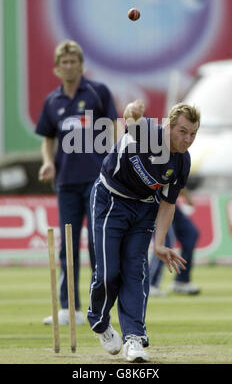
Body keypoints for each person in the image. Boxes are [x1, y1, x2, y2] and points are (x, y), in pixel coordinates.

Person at [87, 99, 200, 362]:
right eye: (182, 131)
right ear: (169, 126)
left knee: (135, 272)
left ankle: (134, 339)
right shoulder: (148, 131)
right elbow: (130, 118)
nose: (187, 139)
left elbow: (169, 204)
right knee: (107, 272)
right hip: (110, 199)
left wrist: (159, 244)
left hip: (144, 210)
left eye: (193, 134)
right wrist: (132, 110)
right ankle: (100, 321)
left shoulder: (182, 162)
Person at [35, 39, 118, 325]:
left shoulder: (98, 92)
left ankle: (99, 308)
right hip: (66, 183)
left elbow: (113, 129)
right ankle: (69, 309)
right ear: (57, 68)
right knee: (66, 246)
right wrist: (48, 162)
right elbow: (48, 140)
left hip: (97, 182)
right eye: (64, 62)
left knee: (98, 245)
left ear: (82, 65)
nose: (69, 66)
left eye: (74, 61)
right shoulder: (52, 101)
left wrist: (114, 163)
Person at [149, 188, 200, 297]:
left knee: (191, 234)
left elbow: (175, 178)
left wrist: (185, 194)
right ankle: (151, 284)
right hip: (154, 198)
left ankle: (182, 281)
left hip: (169, 199)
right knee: (164, 241)